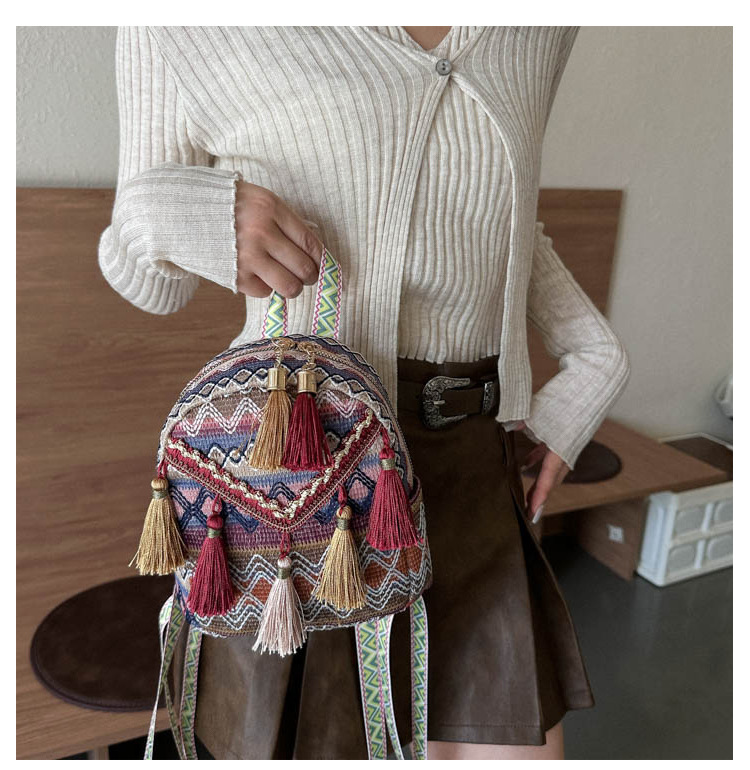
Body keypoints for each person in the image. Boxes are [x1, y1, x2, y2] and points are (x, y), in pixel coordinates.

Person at [98, 26, 630, 760]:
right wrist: (195, 212)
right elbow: (148, 282)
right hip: (300, 488)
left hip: (474, 474)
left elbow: (500, 215)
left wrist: (596, 364)